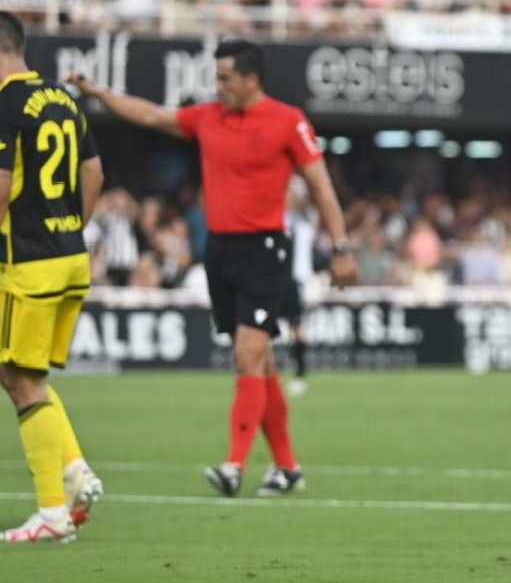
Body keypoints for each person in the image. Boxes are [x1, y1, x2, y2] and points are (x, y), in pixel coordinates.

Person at [68, 40, 357, 498]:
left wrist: (340, 246)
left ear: (250, 78)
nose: (216, 85)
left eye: (224, 77)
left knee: (246, 355)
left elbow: (321, 187)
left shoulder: (287, 121)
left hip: (265, 249)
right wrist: (98, 94)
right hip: (220, 252)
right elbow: (151, 115)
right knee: (258, 360)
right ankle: (287, 468)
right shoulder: (208, 118)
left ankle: (233, 465)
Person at [0, 11, 105, 542]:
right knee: (22, 373)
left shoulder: (5, 104)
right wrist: (69, 226)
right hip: (70, 255)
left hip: (28, 264)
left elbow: (0, 187)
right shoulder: (63, 99)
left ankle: (51, 514)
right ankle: (72, 470)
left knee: (21, 379)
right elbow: (94, 173)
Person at [282, 176, 315, 396]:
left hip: (297, 278)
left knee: (296, 327)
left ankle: (299, 373)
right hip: (275, 277)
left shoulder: (306, 220)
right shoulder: (278, 219)